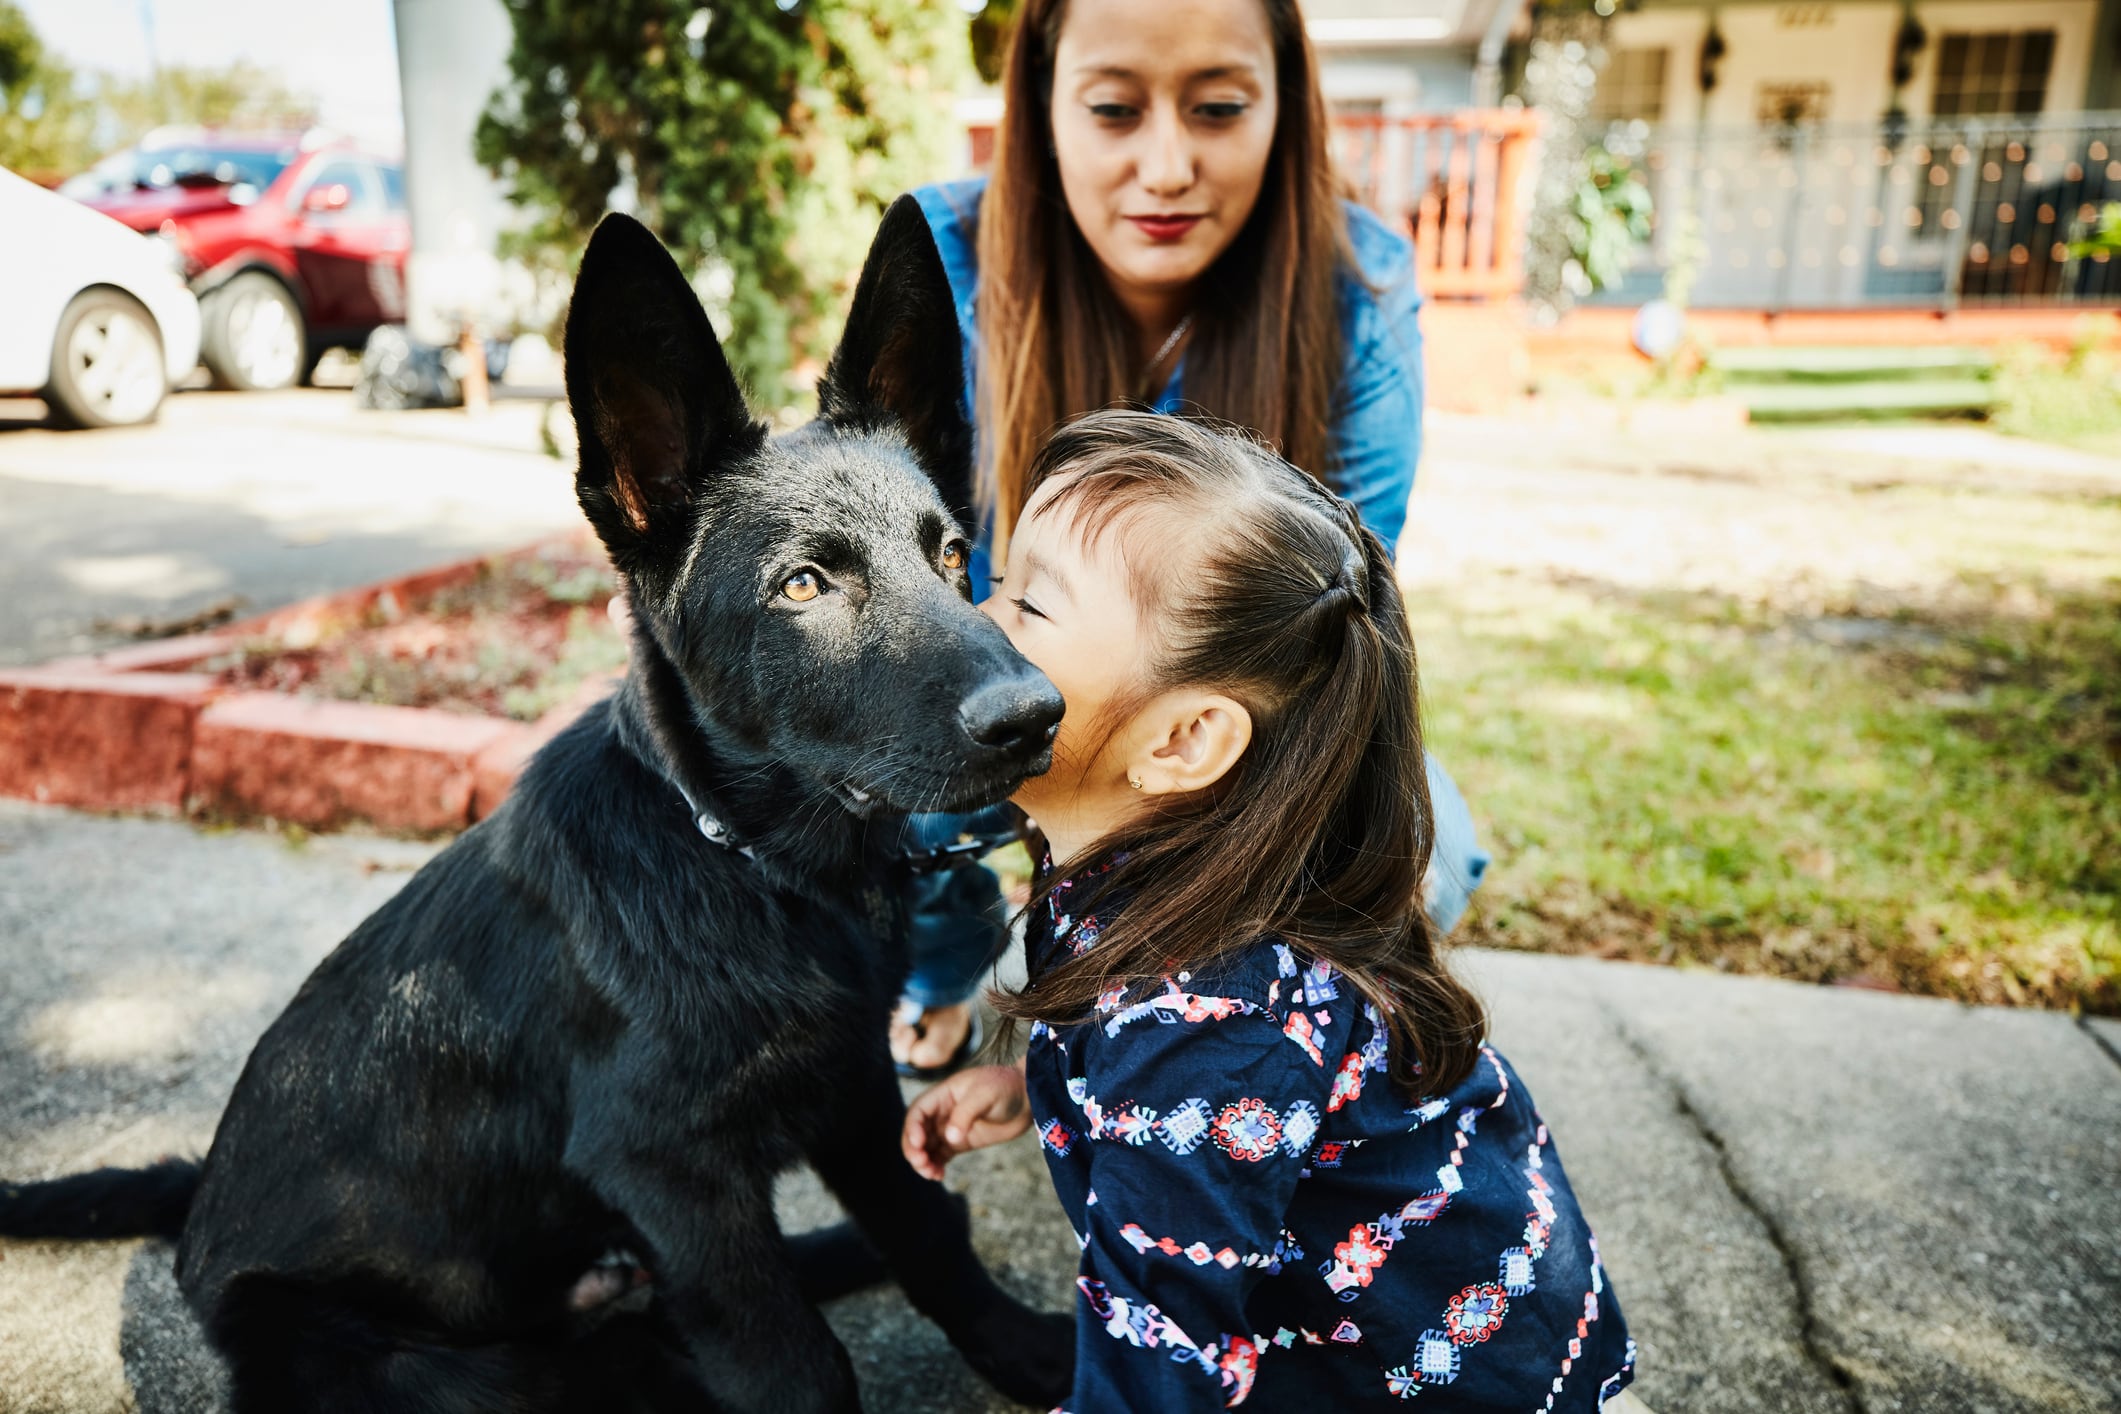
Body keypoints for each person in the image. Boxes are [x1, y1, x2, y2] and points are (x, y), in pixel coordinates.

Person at [901, 411, 1635, 1409]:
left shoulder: (1209, 1030)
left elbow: (1162, 1340)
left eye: (1029, 605)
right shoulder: (1169, 895)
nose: (972, 621)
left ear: (1183, 740)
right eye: (994, 584)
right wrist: (1039, 1089)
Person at [892, 0, 1488, 1074]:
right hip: (994, 694)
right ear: (1040, 102)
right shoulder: (945, 259)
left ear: (1285, 104)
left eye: (1218, 108)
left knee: (1414, 853)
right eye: (1115, 109)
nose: (1166, 167)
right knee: (873, 769)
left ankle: (1173, 1030)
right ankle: (956, 971)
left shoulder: (1362, 289)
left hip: (1233, 726)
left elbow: (1325, 646)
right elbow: (907, 587)